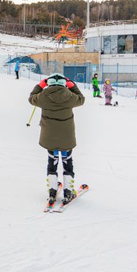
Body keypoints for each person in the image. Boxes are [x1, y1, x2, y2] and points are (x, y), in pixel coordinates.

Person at [29, 72, 85, 204]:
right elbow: (81, 99)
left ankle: (52, 191)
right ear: (64, 84)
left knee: (52, 161)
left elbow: (31, 98)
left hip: (49, 137)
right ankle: (67, 192)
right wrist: (72, 85)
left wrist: (40, 85)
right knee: (67, 162)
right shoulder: (70, 96)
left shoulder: (42, 96)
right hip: (67, 137)